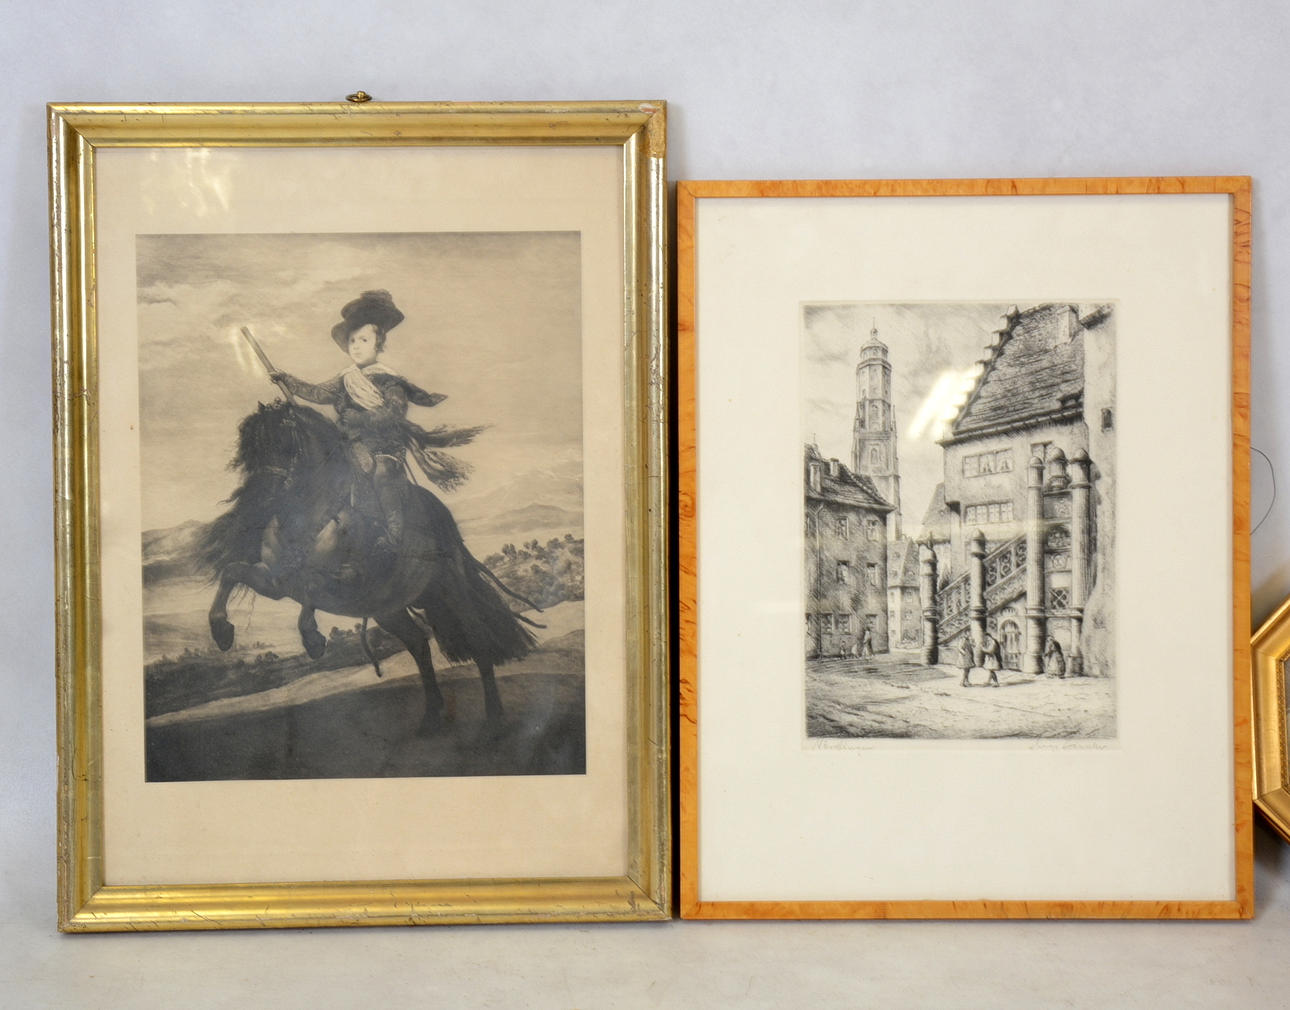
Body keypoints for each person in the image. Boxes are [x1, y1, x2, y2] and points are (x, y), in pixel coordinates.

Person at [270, 290, 478, 561]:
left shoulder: (390, 380)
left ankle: (393, 537)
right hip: (349, 444)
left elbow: (393, 413)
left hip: (384, 447)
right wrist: (287, 380)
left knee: (382, 474)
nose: (356, 346)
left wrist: (362, 419)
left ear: (378, 344)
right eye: (352, 341)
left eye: (364, 340)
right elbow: (317, 393)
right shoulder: (345, 378)